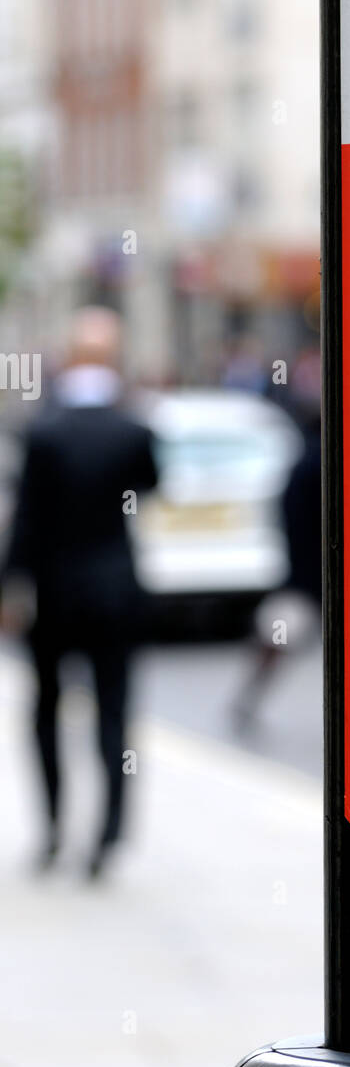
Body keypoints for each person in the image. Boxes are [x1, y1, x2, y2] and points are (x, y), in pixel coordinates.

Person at [1, 308, 159, 877]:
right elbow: (151, 484)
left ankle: (52, 831)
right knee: (114, 715)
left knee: (45, 711)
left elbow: (24, 520)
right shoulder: (134, 429)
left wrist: (10, 585)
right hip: (115, 590)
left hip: (53, 592)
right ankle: (107, 836)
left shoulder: (43, 431)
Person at [231, 412, 322, 730]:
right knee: (277, 638)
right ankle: (246, 700)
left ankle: (246, 700)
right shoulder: (318, 466)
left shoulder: (303, 465)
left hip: (303, 578)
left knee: (276, 640)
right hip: (312, 579)